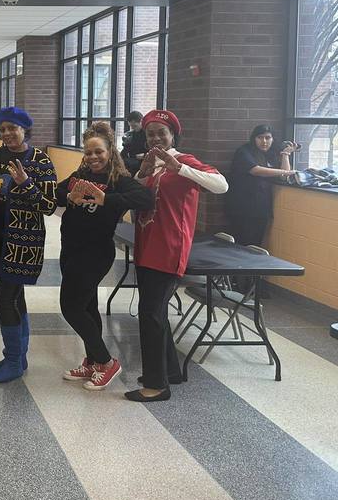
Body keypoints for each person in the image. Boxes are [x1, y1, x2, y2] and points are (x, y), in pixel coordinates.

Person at [126, 109, 228, 403]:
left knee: (150, 314)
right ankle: (170, 371)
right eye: (150, 134)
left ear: (173, 135)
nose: (156, 138)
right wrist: (142, 173)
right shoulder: (151, 164)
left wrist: (180, 168)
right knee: (154, 312)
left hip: (168, 249)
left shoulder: (184, 161)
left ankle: (156, 385)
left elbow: (221, 185)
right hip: (147, 246)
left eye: (162, 133)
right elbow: (137, 195)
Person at [56, 122, 153, 391]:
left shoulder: (119, 180)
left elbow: (145, 199)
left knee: (71, 307)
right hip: (70, 249)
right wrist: (69, 195)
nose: (93, 157)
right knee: (86, 307)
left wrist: (105, 200)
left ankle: (106, 362)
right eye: (88, 152)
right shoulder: (80, 175)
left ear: (110, 151)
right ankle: (92, 362)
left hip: (94, 253)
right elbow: (56, 194)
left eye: (98, 151)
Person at [0, 106, 57, 384]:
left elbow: (49, 206)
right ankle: (18, 355)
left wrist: (26, 183)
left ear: (25, 130)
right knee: (15, 297)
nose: (7, 133)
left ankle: (14, 359)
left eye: (12, 128)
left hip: (23, 241)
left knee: (5, 298)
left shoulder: (40, 161)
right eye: (3, 129)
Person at [225, 124, 297, 247]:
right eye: (260, 137)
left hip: (261, 207)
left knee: (256, 243)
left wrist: (285, 154)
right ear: (254, 138)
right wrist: (287, 172)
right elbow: (255, 170)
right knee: (241, 243)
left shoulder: (271, 154)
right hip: (242, 206)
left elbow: (283, 176)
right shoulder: (244, 151)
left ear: (272, 139)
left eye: (268, 138)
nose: (264, 141)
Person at [120, 111, 147, 176]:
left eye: (135, 126)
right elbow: (125, 151)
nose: (132, 128)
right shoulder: (131, 135)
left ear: (141, 122)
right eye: (131, 126)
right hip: (132, 161)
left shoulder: (147, 134)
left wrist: (144, 155)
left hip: (143, 162)